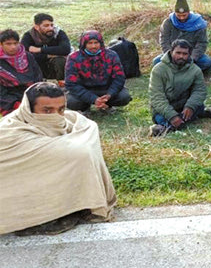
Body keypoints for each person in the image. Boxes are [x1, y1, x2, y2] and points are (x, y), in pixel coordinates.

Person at [0, 82, 117, 236]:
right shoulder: (10, 133)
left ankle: (74, 205)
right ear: (28, 109)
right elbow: (77, 153)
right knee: (79, 154)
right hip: (21, 199)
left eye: (61, 109)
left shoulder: (70, 121)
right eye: (47, 110)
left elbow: (84, 129)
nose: (55, 116)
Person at [148, 39, 209, 137]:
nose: (181, 56)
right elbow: (157, 97)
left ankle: (167, 127)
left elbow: (200, 91)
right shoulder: (158, 70)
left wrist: (190, 106)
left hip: (184, 106)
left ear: (189, 54)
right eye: (178, 53)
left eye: (185, 54)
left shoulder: (195, 70)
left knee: (198, 106)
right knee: (161, 118)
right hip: (165, 108)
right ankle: (168, 126)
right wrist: (172, 116)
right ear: (171, 52)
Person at [64, 30, 132, 112]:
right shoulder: (74, 58)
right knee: (71, 102)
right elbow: (71, 83)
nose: (93, 46)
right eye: (90, 43)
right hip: (85, 89)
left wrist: (109, 95)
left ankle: (107, 104)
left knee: (124, 97)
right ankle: (85, 108)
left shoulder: (111, 55)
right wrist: (93, 99)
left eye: (96, 42)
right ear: (84, 44)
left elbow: (119, 78)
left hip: (107, 89)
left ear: (101, 43)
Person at [156, 0, 211, 71]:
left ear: (188, 12)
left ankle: (188, 71)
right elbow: (164, 40)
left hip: (190, 54)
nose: (181, 18)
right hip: (173, 53)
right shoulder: (168, 23)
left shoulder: (198, 24)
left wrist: (192, 58)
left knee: (206, 62)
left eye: (184, 15)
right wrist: (171, 56)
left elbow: (201, 43)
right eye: (178, 15)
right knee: (156, 62)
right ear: (175, 13)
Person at [0, 29, 42, 116]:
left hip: (30, 91)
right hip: (8, 95)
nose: (13, 47)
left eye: (15, 43)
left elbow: (38, 76)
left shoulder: (27, 56)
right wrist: (15, 103)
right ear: (1, 44)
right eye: (8, 44)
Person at [20, 13, 71, 83]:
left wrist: (39, 50)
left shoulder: (58, 33)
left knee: (60, 60)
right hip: (37, 68)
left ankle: (61, 83)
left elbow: (66, 49)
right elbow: (24, 56)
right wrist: (48, 55)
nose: (50, 28)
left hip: (54, 68)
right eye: (46, 26)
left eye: (51, 25)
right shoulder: (29, 36)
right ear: (37, 27)